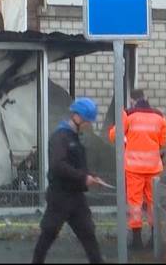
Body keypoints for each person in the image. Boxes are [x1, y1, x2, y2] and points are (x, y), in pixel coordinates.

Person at [32, 97, 105, 264]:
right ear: (77, 117)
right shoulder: (61, 137)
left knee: (88, 234)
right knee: (48, 234)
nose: (89, 124)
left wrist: (90, 176)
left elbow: (75, 164)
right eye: (87, 120)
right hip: (60, 197)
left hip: (76, 198)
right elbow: (58, 166)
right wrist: (83, 177)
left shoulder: (74, 137)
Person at [108, 88, 166, 250]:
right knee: (153, 203)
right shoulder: (159, 116)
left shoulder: (128, 114)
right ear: (145, 98)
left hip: (134, 167)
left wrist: (128, 137)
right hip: (154, 167)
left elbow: (113, 136)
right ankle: (155, 239)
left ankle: (137, 240)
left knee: (135, 203)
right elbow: (162, 142)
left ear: (132, 100)